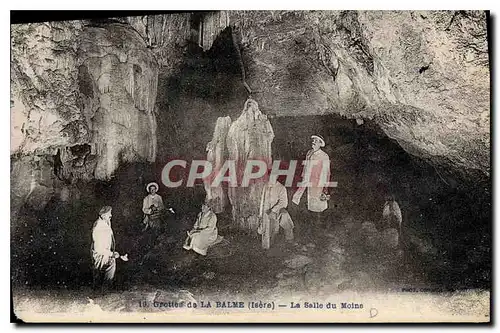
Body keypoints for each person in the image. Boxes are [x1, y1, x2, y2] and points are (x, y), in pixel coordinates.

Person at [292, 135, 331, 229]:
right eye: (313, 140)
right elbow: (305, 167)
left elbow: (326, 172)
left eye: (316, 140)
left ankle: (318, 229)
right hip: (306, 181)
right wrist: (303, 177)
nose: (313, 141)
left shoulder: (324, 156)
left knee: (318, 206)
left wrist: (325, 188)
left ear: (320, 144)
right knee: (305, 203)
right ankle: (308, 227)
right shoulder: (309, 153)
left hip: (317, 183)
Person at [91, 206, 127, 292]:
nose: (111, 215)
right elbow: (99, 248)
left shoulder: (105, 223)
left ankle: (104, 291)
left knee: (108, 270)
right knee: (100, 274)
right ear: (103, 215)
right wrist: (111, 254)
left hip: (106, 254)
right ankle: (101, 293)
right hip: (101, 255)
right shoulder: (99, 227)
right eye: (109, 213)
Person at [258, 176, 294, 249]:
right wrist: (261, 214)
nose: (271, 178)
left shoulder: (281, 187)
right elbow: (262, 201)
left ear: (277, 176)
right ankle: (268, 245)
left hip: (277, 210)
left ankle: (289, 238)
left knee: (285, 216)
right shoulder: (266, 186)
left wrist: (273, 210)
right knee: (268, 231)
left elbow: (284, 202)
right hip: (266, 211)